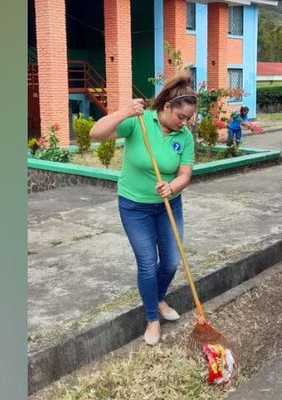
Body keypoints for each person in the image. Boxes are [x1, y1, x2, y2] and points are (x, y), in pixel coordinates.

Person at [89, 74, 197, 345]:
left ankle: (158, 298)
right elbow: (96, 134)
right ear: (167, 107)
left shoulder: (184, 137)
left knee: (171, 262)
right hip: (134, 207)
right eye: (181, 117)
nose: (185, 123)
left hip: (167, 205)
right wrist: (124, 112)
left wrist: (173, 187)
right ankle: (152, 319)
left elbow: (185, 174)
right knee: (148, 265)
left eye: (189, 118)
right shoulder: (139, 122)